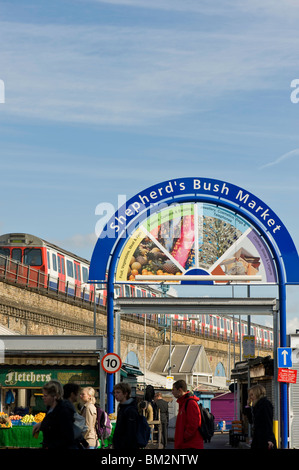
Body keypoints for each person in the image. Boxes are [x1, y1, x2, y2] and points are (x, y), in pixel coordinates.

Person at [32, 380, 76, 449]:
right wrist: (41, 424)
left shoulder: (64, 411)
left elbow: (67, 437)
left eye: (45, 395)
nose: (43, 398)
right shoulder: (50, 409)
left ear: (55, 396)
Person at [172, 379, 203, 450]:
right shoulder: (184, 403)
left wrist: (185, 437)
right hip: (186, 444)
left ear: (180, 390)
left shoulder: (190, 403)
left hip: (190, 445)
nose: (172, 392)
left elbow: (194, 423)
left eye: (173, 390)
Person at [245, 384, 277, 450]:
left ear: (257, 394)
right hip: (258, 437)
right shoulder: (256, 406)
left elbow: (268, 422)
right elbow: (251, 421)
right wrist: (248, 406)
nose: (250, 397)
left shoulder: (265, 404)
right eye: (250, 395)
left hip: (265, 438)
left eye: (252, 395)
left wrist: (270, 439)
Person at [112, 382, 139, 450]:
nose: (115, 395)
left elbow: (131, 432)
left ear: (125, 394)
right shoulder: (122, 408)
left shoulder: (130, 410)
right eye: (115, 393)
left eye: (118, 392)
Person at [63, 383, 89, 449]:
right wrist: (84, 443)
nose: (79, 396)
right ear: (72, 394)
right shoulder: (67, 407)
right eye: (77, 393)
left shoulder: (66, 406)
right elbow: (74, 427)